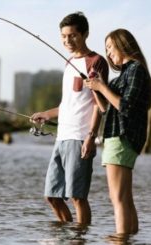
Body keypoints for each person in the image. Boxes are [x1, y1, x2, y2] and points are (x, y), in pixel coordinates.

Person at [30, 12, 109, 225]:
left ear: (85, 34)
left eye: (73, 35)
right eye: (64, 36)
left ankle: (81, 237)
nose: (67, 41)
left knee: (77, 196)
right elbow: (67, 104)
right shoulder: (68, 63)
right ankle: (68, 235)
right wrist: (45, 114)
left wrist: (91, 137)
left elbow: (99, 106)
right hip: (61, 137)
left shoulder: (97, 61)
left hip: (80, 138)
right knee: (52, 196)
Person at [84, 29, 151, 234]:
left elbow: (126, 107)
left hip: (122, 138)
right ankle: (129, 239)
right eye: (106, 49)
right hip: (117, 138)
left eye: (110, 47)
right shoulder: (121, 76)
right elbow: (105, 108)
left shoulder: (136, 70)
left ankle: (120, 240)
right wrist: (96, 88)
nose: (108, 53)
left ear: (123, 44)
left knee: (117, 199)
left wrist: (102, 88)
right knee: (125, 198)